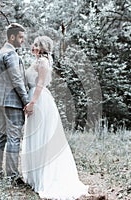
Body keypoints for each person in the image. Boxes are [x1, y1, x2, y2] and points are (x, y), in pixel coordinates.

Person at [22, 36, 89, 199]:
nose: (33, 46)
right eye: (34, 43)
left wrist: (32, 103)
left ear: (44, 48)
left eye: (37, 45)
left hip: (39, 100)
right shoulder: (37, 61)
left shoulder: (43, 62)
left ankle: (46, 177)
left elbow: (40, 84)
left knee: (43, 137)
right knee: (35, 136)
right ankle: (35, 176)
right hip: (35, 98)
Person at [0, 23, 29, 186]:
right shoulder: (11, 54)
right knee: (13, 138)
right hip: (11, 102)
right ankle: (12, 176)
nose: (22, 41)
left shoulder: (1, 53)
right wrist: (26, 100)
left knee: (0, 137)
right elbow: (16, 79)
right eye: (20, 37)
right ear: (12, 37)